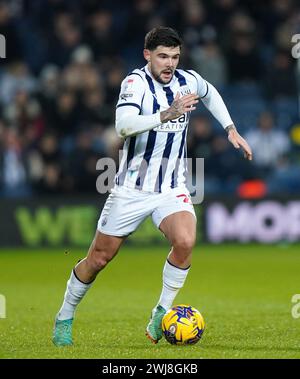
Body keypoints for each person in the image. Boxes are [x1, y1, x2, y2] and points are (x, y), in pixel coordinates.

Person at [52, 26, 252, 346]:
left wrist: (230, 128)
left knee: (185, 241)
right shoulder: (135, 83)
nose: (169, 63)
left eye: (174, 56)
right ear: (148, 56)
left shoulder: (187, 79)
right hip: (132, 188)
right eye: (162, 56)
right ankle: (65, 314)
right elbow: (123, 125)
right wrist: (166, 114)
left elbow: (210, 91)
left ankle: (161, 311)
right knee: (99, 259)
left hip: (171, 186)